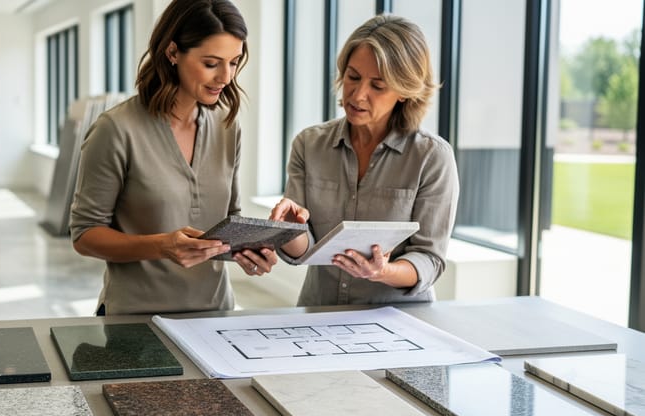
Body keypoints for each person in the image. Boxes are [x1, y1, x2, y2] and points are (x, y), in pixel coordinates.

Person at [70, 0, 276, 315]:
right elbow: (85, 235)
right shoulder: (115, 130)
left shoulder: (227, 127)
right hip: (135, 320)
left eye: (234, 62)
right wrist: (162, 246)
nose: (226, 77)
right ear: (173, 53)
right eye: (211, 63)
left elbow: (226, 217)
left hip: (215, 314)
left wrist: (246, 250)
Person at [270, 14, 458, 306]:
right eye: (353, 77)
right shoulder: (309, 144)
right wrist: (288, 229)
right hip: (320, 313)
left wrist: (384, 271)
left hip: (400, 322)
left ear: (405, 92)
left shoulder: (432, 157)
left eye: (378, 86)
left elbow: (430, 259)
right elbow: (302, 249)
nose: (358, 95)